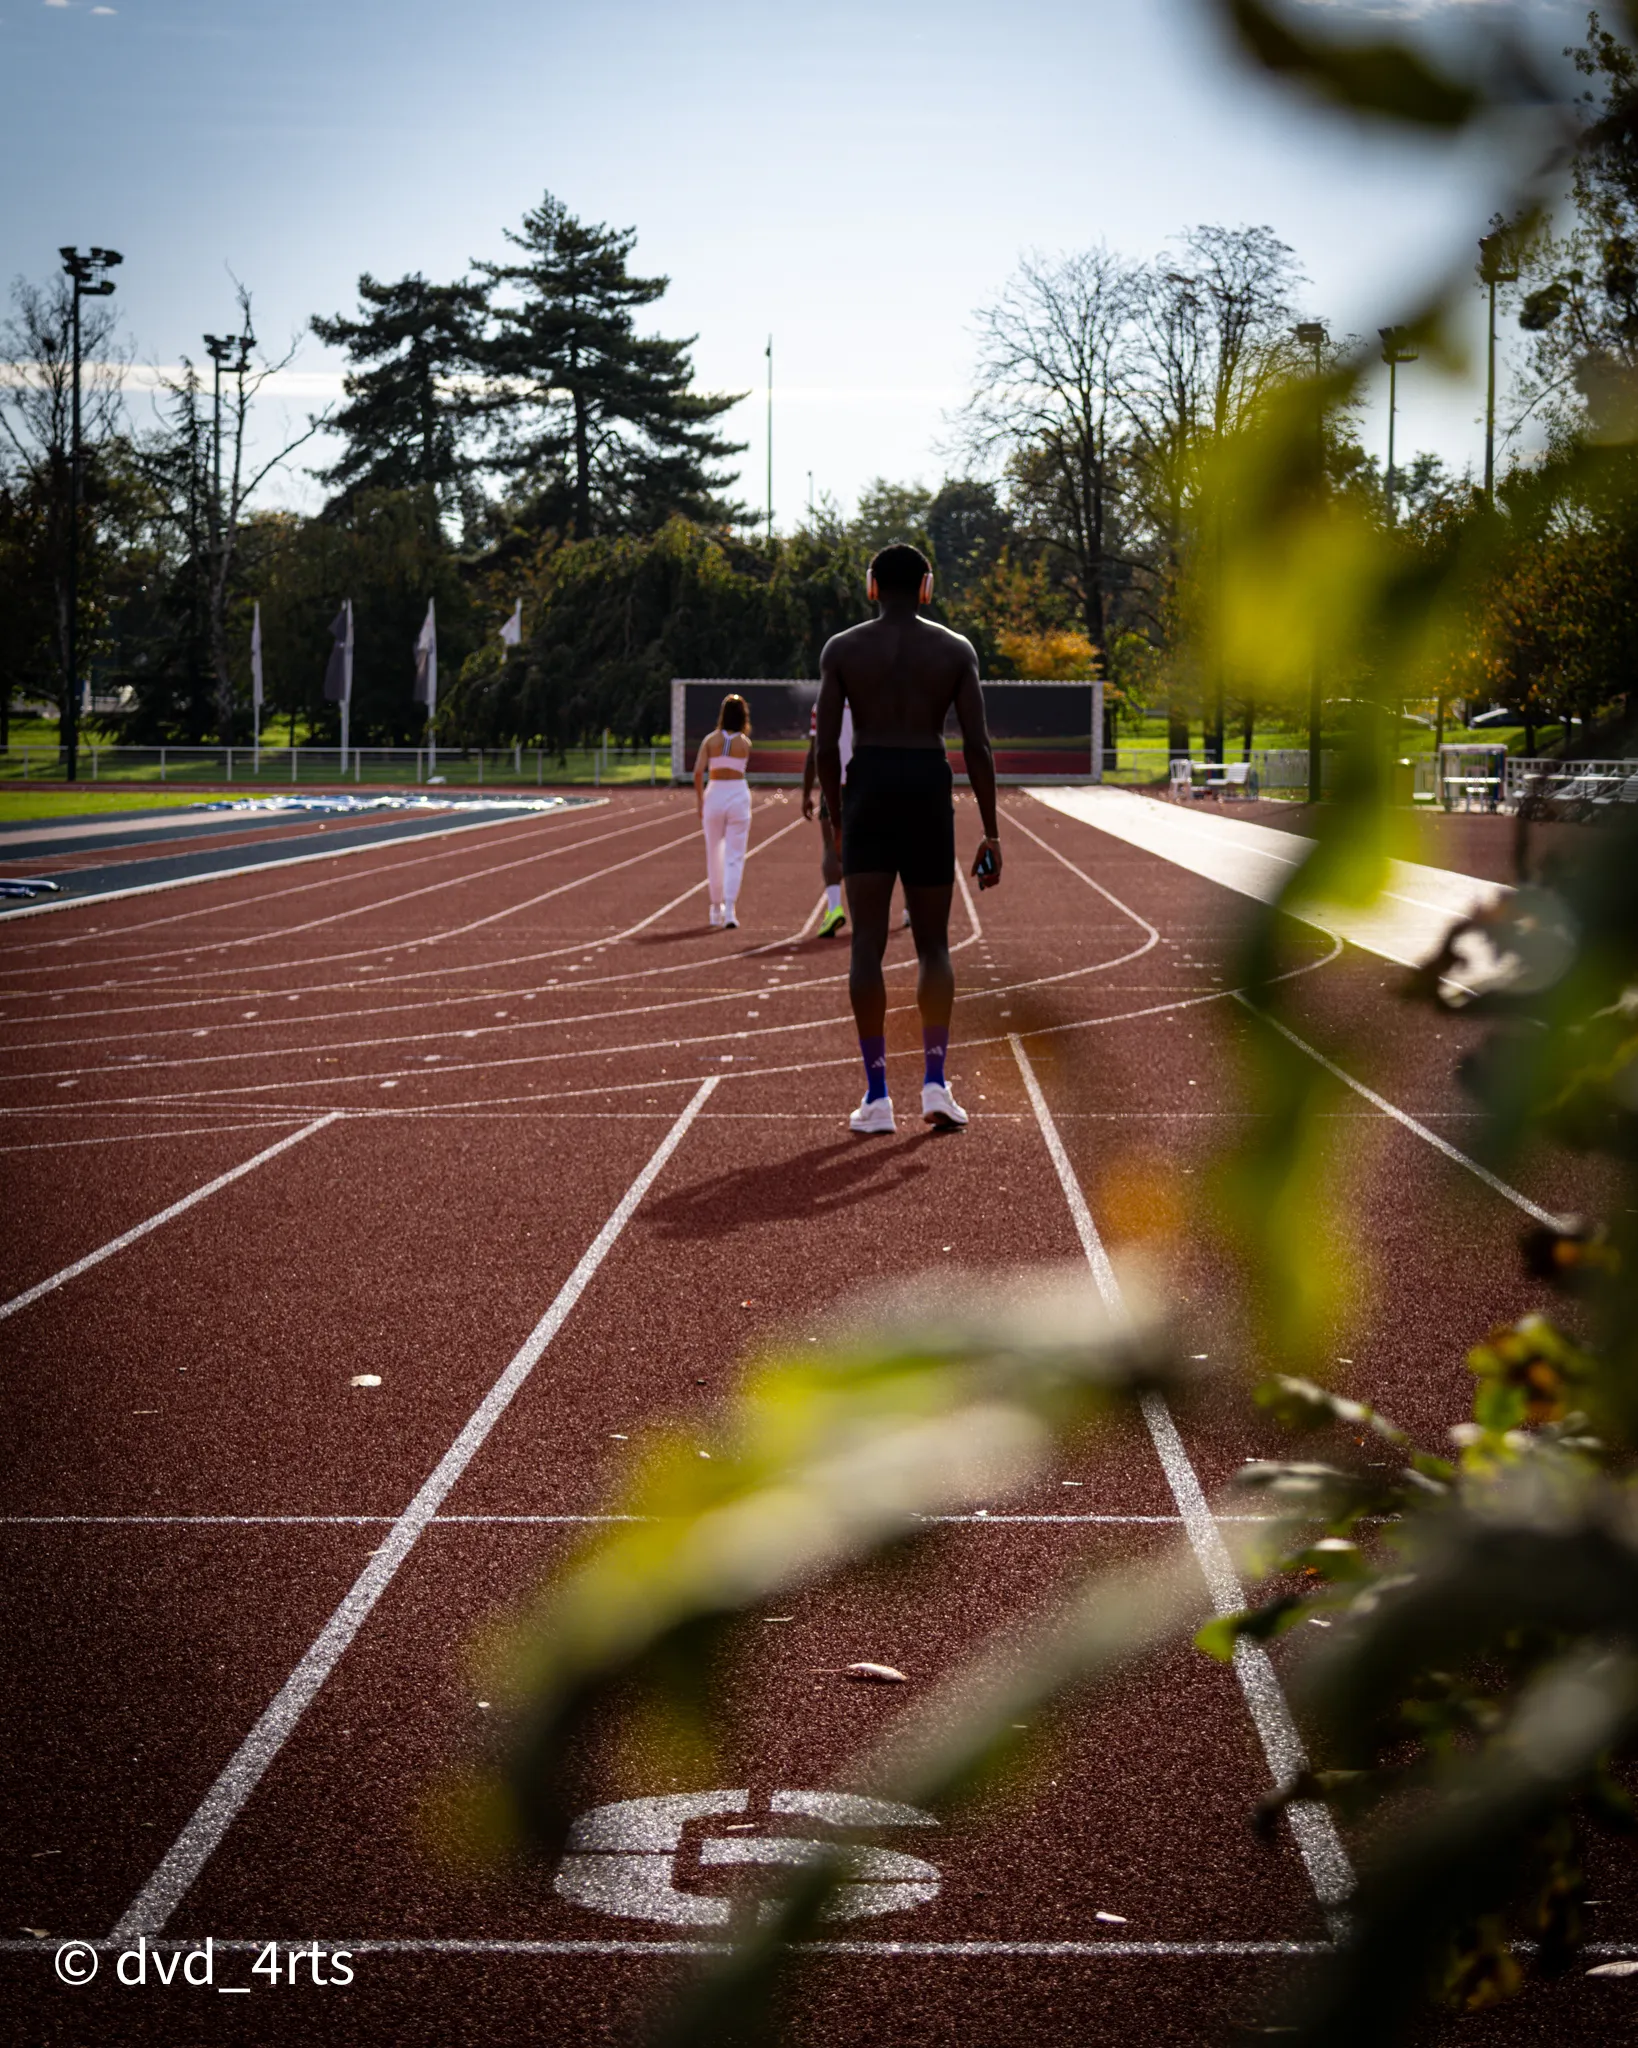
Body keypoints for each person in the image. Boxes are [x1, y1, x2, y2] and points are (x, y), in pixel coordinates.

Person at [814, 541, 1001, 1134]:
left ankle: (876, 1097)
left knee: (865, 943)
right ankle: (936, 1083)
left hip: (868, 786)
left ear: (873, 586)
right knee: (935, 947)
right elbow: (978, 745)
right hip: (926, 786)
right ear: (927, 586)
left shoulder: (842, 648)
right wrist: (991, 831)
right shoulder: (955, 649)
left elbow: (823, 747)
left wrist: (838, 818)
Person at [693, 691, 753, 930]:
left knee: (713, 852)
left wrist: (700, 801)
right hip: (737, 793)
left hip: (715, 794)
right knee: (735, 854)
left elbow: (698, 772)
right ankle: (730, 908)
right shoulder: (745, 744)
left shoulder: (710, 741)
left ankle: (714, 908)